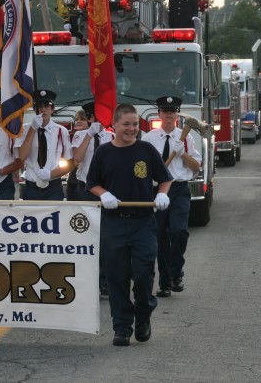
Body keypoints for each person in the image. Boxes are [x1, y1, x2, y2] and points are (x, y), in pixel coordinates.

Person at [86, 103, 172, 346]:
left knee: (144, 273)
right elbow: (92, 182)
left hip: (143, 223)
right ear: (114, 125)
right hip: (114, 223)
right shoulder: (103, 153)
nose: (132, 129)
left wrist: (162, 194)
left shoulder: (147, 150)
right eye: (126, 124)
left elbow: (164, 179)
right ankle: (122, 327)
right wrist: (103, 194)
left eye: (135, 124)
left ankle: (143, 317)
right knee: (117, 277)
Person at [142, 96, 201, 297]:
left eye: (172, 111)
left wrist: (182, 153)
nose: (168, 114)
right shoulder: (149, 138)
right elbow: (141, 167)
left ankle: (177, 272)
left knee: (178, 231)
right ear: (159, 114)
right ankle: (166, 282)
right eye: (165, 110)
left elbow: (196, 167)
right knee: (159, 237)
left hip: (178, 189)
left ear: (177, 115)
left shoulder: (187, 137)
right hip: (157, 190)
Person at [71, 102, 115, 296]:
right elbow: (77, 158)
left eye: (101, 118)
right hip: (85, 190)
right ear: (89, 119)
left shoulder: (112, 137)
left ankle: (104, 281)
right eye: (94, 118)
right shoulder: (80, 135)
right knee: (87, 236)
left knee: (106, 238)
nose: (97, 121)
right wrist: (90, 134)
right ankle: (86, 281)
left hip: (107, 191)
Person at [16, 90, 73, 200]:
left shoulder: (62, 131)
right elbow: (22, 156)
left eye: (47, 106)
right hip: (32, 187)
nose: (43, 109)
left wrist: (51, 174)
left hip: (53, 187)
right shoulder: (25, 129)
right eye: (39, 106)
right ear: (34, 109)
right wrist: (33, 128)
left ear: (52, 109)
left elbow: (70, 163)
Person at [65, 110, 89, 201]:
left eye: (83, 119)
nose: (78, 121)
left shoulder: (97, 138)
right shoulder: (70, 136)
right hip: (73, 178)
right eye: (76, 119)